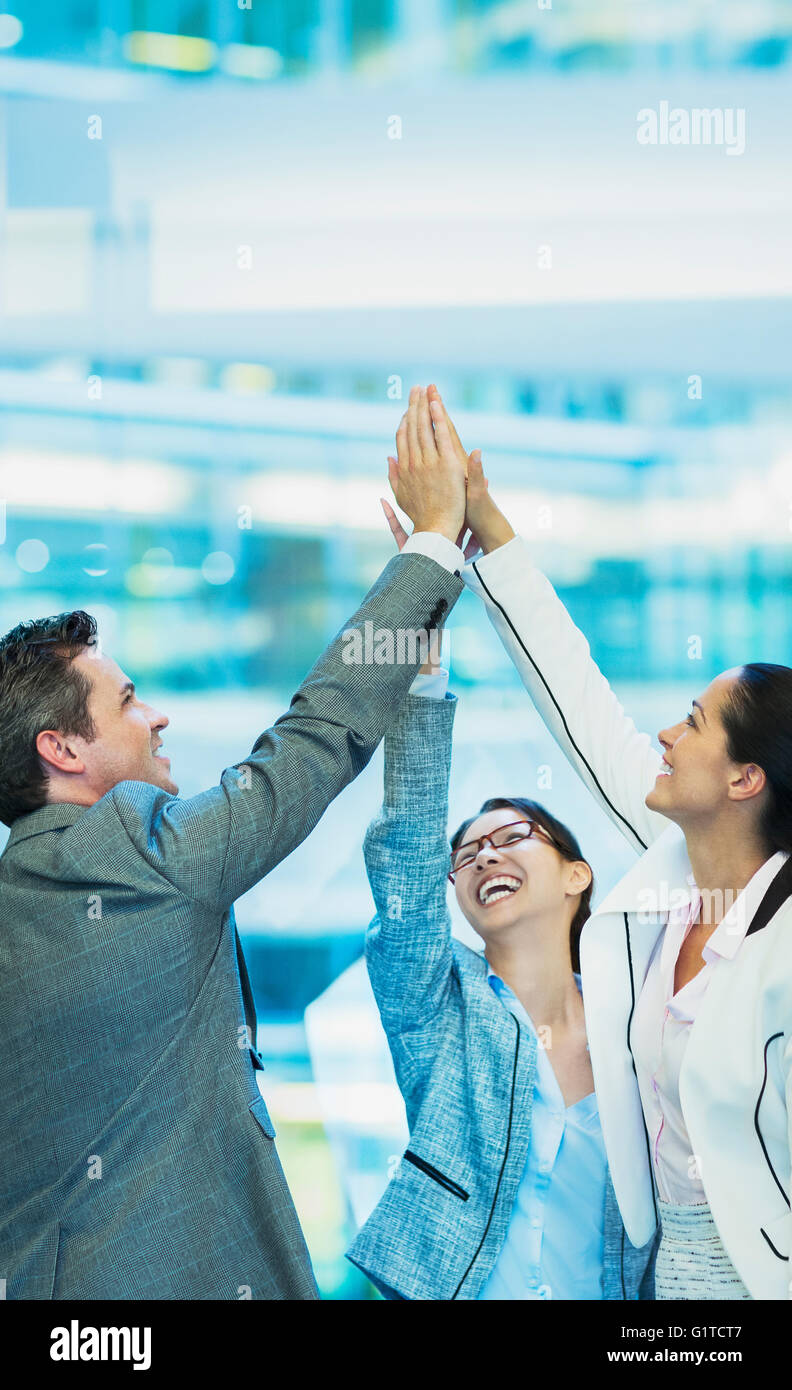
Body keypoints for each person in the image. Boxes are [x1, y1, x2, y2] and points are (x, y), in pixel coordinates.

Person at [0, 387, 468, 1300]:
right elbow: (310, 743)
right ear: (60, 749)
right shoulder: (120, 852)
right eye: (128, 702)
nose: (158, 714)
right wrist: (431, 547)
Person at [383, 385, 792, 1301]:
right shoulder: (670, 878)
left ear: (745, 778)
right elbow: (574, 696)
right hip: (662, 1283)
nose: (664, 734)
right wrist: (475, 531)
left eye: (693, 720)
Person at [345, 396, 658, 1301]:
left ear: (577, 872)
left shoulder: (640, 1021)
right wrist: (420, 672)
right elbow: (405, 863)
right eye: (470, 852)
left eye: (514, 835)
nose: (484, 855)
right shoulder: (436, 1011)